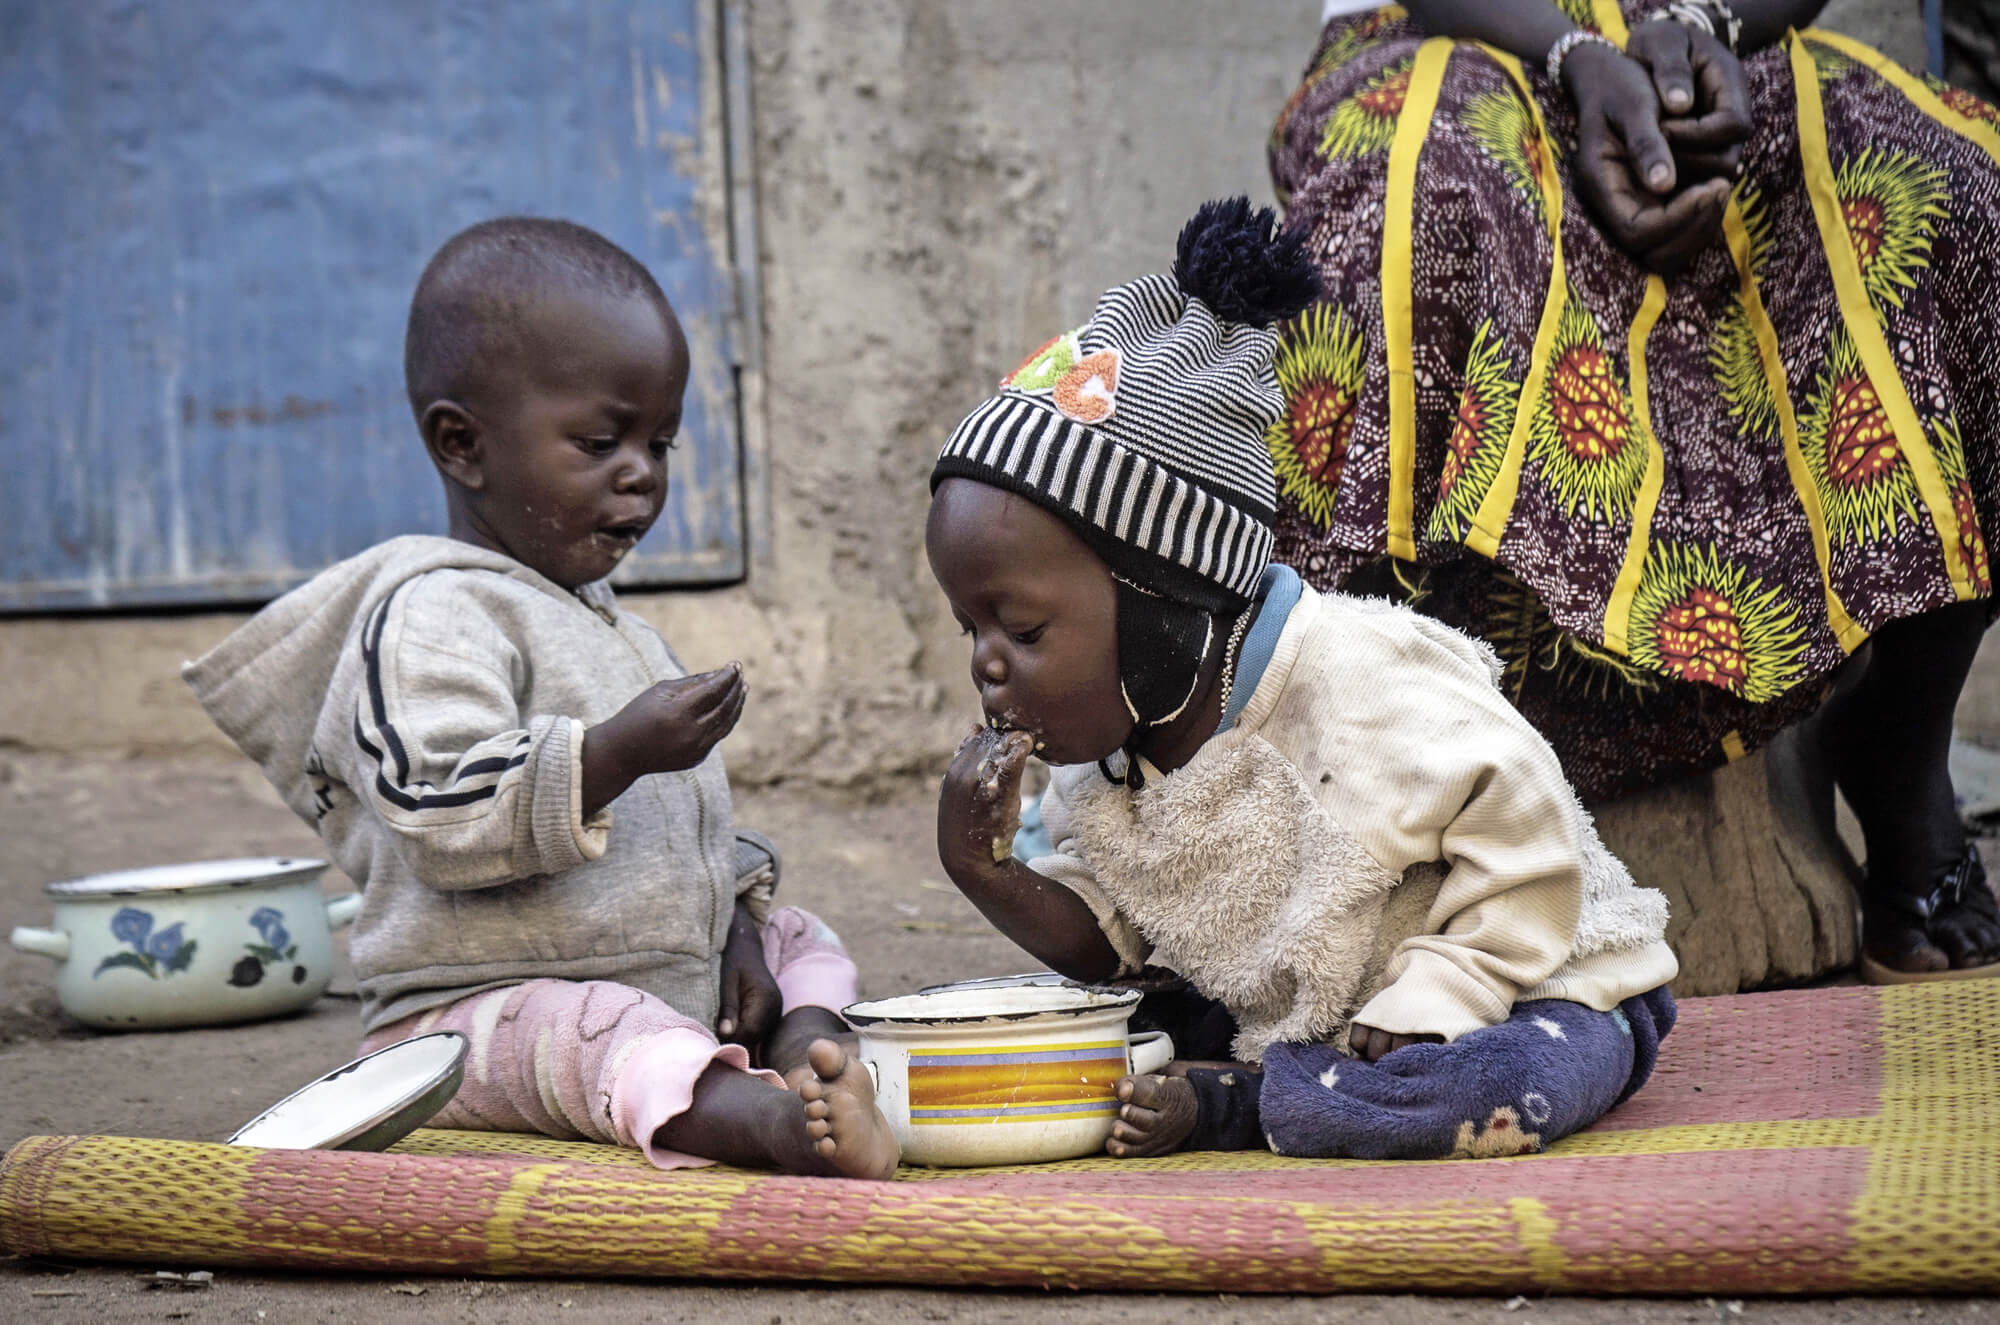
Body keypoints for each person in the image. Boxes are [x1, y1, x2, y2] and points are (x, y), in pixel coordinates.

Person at [1265, 0, 2000, 982]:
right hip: (1458, 38)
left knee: (1950, 186)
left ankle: (1898, 740)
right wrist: (1576, 56)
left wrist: (1700, 28)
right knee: (1421, 210)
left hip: (1711, 43)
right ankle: (1401, 777)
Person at [929, 198, 1678, 1160]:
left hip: (1532, 982)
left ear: (1169, 593)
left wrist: (1447, 991)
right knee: (1115, 1027)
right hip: (1321, 1022)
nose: (988, 662)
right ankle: (1271, 1092)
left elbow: (1528, 825)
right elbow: (1112, 939)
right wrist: (983, 870)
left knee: (1493, 1080)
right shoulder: (1108, 765)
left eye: (1023, 626)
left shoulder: (1358, 679)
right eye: (969, 626)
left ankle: (1246, 1105)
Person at [184, 217, 896, 1178]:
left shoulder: (615, 625)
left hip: (656, 979)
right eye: (601, 440)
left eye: (660, 441)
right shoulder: (432, 614)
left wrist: (731, 929)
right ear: (462, 444)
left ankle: (808, 1056)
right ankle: (775, 1128)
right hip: (480, 1012)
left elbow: (678, 839)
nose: (642, 472)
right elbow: (437, 807)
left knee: (798, 935)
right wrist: (614, 752)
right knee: (594, 1033)